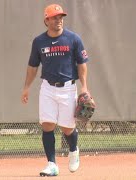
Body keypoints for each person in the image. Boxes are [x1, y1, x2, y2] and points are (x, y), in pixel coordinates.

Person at [21, 4, 90, 177]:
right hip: (48, 88)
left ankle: (73, 149)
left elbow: (82, 65)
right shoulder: (39, 42)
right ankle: (52, 164)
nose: (59, 20)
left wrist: (85, 87)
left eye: (60, 17)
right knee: (47, 125)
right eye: (54, 17)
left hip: (68, 88)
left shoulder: (73, 39)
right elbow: (32, 66)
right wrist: (26, 88)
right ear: (46, 20)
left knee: (68, 128)